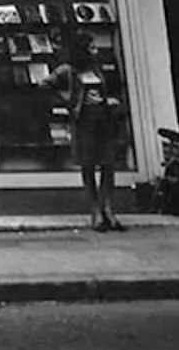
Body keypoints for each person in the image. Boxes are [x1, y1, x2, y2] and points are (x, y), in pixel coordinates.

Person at [42, 31, 126, 231]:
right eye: (92, 48)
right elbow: (45, 83)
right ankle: (96, 211)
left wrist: (109, 101)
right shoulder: (68, 71)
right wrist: (68, 99)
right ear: (82, 51)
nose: (96, 51)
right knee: (88, 165)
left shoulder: (98, 70)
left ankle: (108, 209)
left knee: (108, 164)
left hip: (104, 119)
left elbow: (108, 90)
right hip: (84, 121)